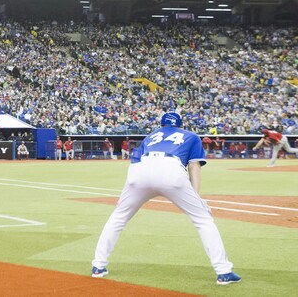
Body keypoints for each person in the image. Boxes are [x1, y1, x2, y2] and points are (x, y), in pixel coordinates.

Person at [91, 112, 240, 285]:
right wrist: (197, 198)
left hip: (140, 170)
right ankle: (223, 271)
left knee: (118, 217)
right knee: (203, 219)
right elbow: (194, 166)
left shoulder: (150, 136)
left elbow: (135, 162)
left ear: (161, 125)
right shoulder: (191, 136)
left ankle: (98, 266)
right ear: (180, 125)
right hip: (171, 169)